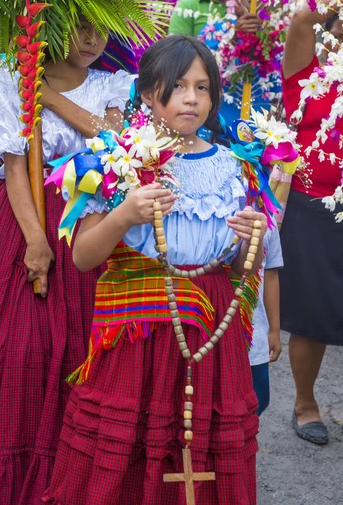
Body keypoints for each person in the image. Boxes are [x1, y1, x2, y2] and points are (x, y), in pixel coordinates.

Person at [44, 35, 268, 505]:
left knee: (201, 452)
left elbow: (238, 274)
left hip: (209, 342)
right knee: (130, 450)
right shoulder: (117, 159)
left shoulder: (234, 168)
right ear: (148, 94)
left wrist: (253, 242)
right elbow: (84, 256)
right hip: (138, 342)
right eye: (179, 85)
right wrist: (125, 214)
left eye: (203, 87)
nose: (192, 98)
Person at [0, 21, 134, 504]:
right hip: (22, 225)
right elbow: (12, 166)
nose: (92, 41)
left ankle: (65, 480)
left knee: (74, 350)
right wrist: (35, 242)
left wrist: (47, 97)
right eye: (81, 29)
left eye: (101, 32)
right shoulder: (12, 78)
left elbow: (110, 143)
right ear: (52, 27)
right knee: (15, 348)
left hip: (86, 226)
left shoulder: (111, 84)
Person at [280, 0, 343, 445]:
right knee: (311, 315)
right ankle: (306, 403)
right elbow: (302, 15)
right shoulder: (307, 75)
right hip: (311, 206)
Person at [250, 226, 283, 416]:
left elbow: (270, 274)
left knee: (256, 400)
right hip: (212, 336)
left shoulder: (266, 216)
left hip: (255, 340)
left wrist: (274, 330)